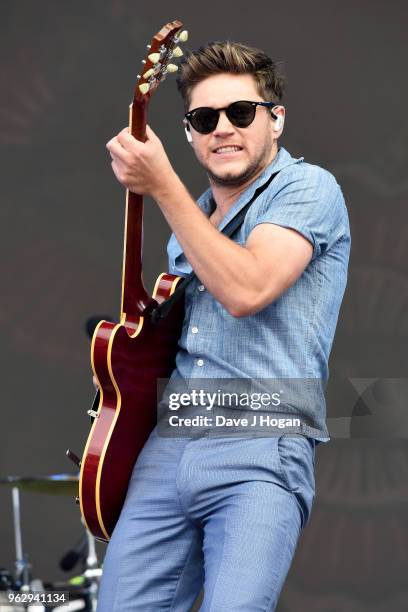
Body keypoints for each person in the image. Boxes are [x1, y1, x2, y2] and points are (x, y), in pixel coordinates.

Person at [96, 41, 350, 611]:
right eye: (204, 119)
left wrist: (160, 186)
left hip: (261, 441)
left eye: (241, 112)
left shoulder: (308, 189)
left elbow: (247, 289)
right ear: (188, 133)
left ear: (276, 119)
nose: (223, 129)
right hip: (168, 448)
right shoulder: (193, 218)